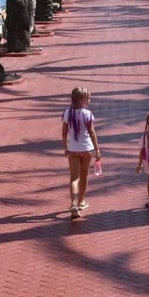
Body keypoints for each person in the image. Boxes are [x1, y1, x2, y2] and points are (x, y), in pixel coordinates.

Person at [62, 87, 100, 219]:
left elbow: (64, 132)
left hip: (73, 149)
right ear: (82, 100)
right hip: (86, 149)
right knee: (84, 176)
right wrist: (97, 150)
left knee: (74, 178)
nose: (89, 101)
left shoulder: (67, 113)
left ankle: (73, 203)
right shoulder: (87, 114)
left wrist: (65, 147)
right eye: (88, 98)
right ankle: (81, 202)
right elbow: (92, 132)